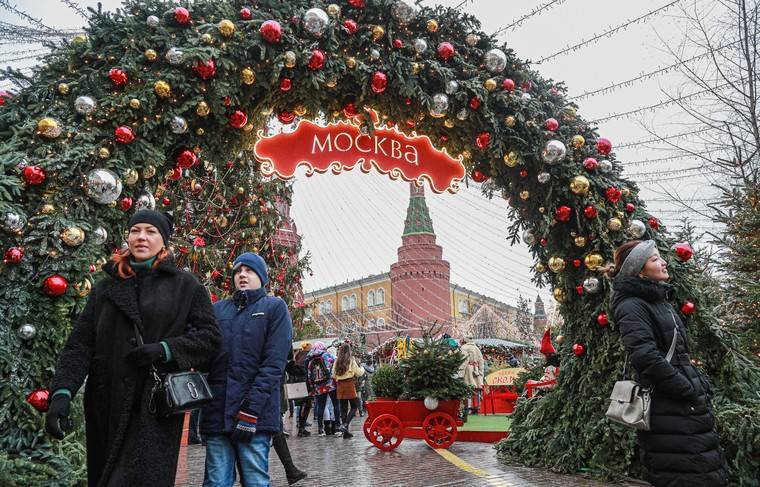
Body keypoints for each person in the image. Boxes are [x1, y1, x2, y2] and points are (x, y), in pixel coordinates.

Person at [45, 210, 221, 487]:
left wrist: (166, 350)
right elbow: (80, 344)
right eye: (135, 230)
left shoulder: (185, 286)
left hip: (153, 407)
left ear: (163, 240)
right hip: (107, 405)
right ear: (127, 237)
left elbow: (210, 338)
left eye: (151, 232)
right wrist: (62, 392)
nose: (141, 237)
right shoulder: (105, 289)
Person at [610, 239, 727, 487]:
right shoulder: (632, 305)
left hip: (683, 407)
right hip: (669, 406)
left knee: (700, 470)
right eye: (654, 259)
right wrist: (685, 388)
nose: (663, 262)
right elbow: (645, 356)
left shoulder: (659, 301)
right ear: (640, 270)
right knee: (682, 473)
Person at [201, 252, 292, 487]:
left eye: (249, 270)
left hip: (256, 416)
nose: (242, 275)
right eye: (238, 271)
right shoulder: (218, 310)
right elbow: (206, 355)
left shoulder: (274, 308)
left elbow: (274, 364)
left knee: (255, 480)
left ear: (262, 277)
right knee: (216, 481)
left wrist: (251, 410)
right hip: (218, 414)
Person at [305, 341, 340, 436]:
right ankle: (337, 427)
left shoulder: (311, 359)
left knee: (321, 406)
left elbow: (309, 376)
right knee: (335, 404)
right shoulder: (327, 355)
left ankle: (321, 429)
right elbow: (337, 363)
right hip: (330, 384)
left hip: (319, 386)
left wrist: (312, 387)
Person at [332, 342, 365, 438]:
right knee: (354, 407)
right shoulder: (350, 360)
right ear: (348, 350)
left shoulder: (336, 361)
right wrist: (362, 368)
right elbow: (358, 373)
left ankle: (345, 432)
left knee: (343, 408)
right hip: (349, 384)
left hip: (340, 386)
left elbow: (333, 375)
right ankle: (345, 425)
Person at [459, 337, 485, 418]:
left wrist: (460, 373)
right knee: (476, 389)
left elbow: (463, 361)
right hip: (476, 370)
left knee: (467, 388)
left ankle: (468, 407)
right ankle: (477, 407)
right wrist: (481, 372)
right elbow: (481, 361)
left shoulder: (463, 348)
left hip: (467, 370)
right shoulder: (476, 348)